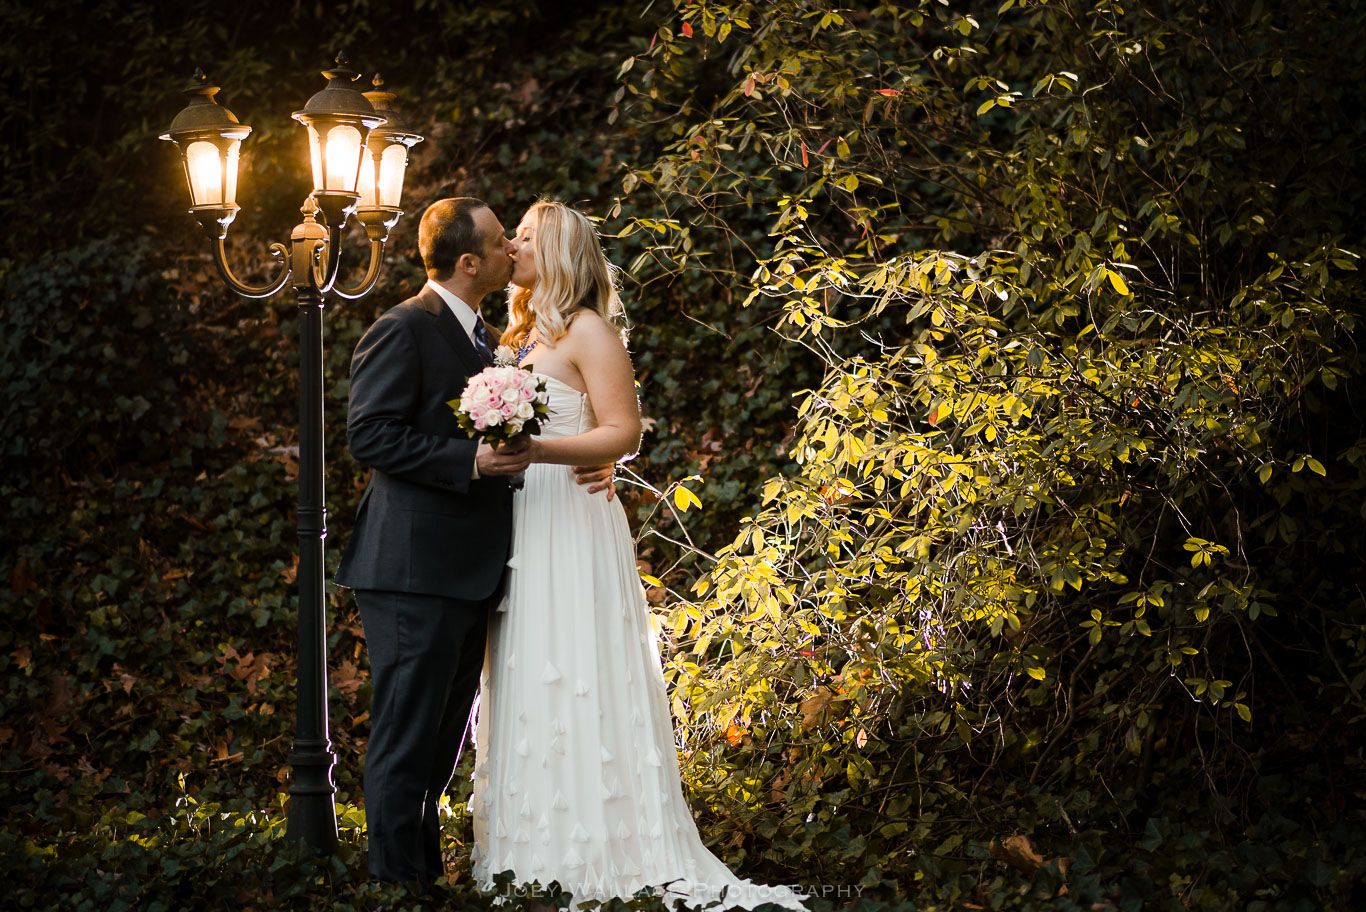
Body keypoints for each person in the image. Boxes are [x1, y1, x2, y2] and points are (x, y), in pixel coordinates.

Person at [468, 200, 807, 910]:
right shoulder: (519, 333)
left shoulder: (589, 330)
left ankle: (603, 846)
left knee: (580, 668)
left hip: (573, 520)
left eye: (525, 239)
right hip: (524, 522)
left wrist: (540, 450)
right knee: (530, 667)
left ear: (556, 252)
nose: (513, 247)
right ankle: (531, 851)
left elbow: (622, 431)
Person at [335, 197, 613, 887]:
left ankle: (421, 878)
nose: (511, 252)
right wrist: (469, 463)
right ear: (469, 262)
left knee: (438, 746)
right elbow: (369, 434)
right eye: (499, 243)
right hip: (412, 569)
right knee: (406, 740)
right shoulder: (405, 327)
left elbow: (572, 413)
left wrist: (592, 451)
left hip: (472, 572)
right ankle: (398, 889)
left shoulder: (492, 338)